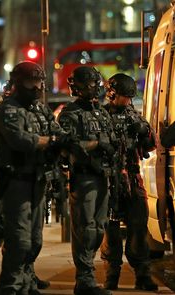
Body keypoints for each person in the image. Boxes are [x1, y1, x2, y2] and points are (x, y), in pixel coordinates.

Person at [0, 61, 68, 295]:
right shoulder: (9, 109)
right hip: (16, 181)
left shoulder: (40, 109)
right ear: (18, 83)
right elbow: (21, 140)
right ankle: (11, 286)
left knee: (35, 240)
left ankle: (25, 282)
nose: (35, 88)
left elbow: (59, 134)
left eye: (39, 83)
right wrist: (49, 141)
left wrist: (56, 141)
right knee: (19, 240)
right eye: (30, 82)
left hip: (38, 180)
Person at [58, 66, 116, 295]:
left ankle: (87, 276)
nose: (96, 87)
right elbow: (66, 146)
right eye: (92, 83)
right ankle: (84, 280)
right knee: (86, 229)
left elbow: (111, 139)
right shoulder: (70, 113)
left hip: (103, 177)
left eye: (96, 82)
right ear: (79, 86)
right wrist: (95, 144)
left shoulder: (100, 111)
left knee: (99, 228)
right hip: (84, 178)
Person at [100, 73, 158, 291]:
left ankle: (142, 274)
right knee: (111, 232)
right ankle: (111, 274)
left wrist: (144, 132)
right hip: (108, 181)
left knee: (138, 229)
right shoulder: (101, 116)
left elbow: (151, 144)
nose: (128, 101)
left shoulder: (135, 116)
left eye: (130, 97)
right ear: (112, 94)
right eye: (125, 96)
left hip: (132, 180)